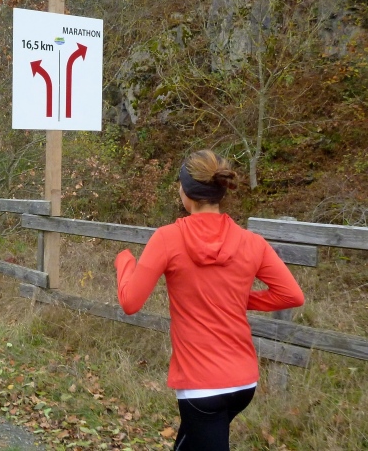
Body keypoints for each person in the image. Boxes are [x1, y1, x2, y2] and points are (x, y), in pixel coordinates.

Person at [114, 150, 305, 451]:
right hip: (243, 382)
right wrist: (237, 299)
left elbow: (130, 302)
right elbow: (291, 295)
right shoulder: (251, 242)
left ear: (186, 192)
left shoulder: (167, 238)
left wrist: (124, 262)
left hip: (201, 386)